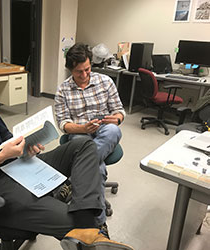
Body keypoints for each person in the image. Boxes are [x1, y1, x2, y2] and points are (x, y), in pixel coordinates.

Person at [0, 44, 132, 250]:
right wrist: (1, 157)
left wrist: (25, 144)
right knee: (75, 222)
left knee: (83, 145)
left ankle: (86, 226)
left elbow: (6, 137)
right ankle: (88, 229)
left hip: (18, 166)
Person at [54, 43, 126, 232]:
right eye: (79, 72)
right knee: (98, 169)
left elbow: (119, 111)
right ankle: (99, 224)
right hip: (78, 133)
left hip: (103, 129)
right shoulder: (63, 90)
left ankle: (73, 180)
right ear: (70, 70)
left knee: (114, 131)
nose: (85, 75)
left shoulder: (105, 81)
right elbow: (63, 124)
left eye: (87, 69)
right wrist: (82, 127)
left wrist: (116, 118)